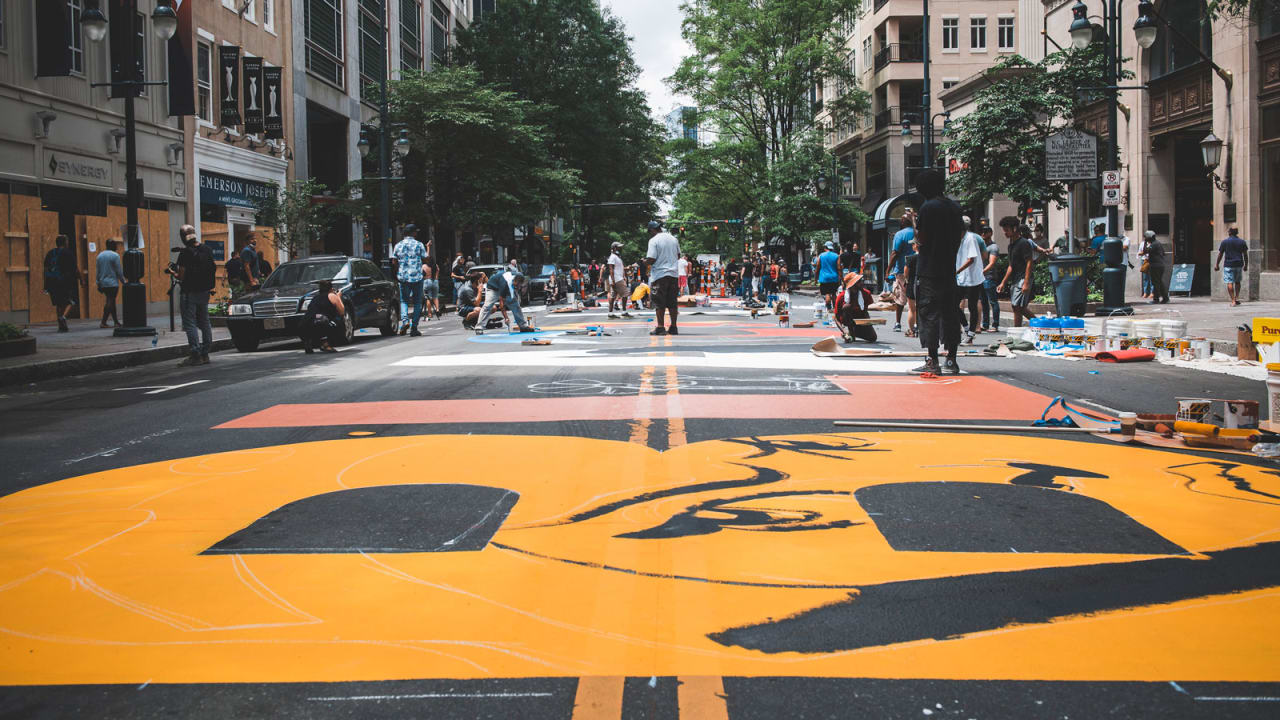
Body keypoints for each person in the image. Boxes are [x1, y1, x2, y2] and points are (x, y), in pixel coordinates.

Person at [912, 169, 964, 374]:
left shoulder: (927, 208)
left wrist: (916, 226)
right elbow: (959, 235)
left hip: (929, 270)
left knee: (929, 314)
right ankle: (951, 359)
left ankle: (932, 361)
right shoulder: (954, 207)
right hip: (949, 269)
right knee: (950, 314)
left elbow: (922, 238)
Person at [174, 225, 216, 366]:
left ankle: (195, 354)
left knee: (190, 323)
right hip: (204, 291)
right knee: (204, 321)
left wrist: (174, 273)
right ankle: (205, 353)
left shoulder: (185, 253)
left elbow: (181, 276)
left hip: (189, 292)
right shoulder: (207, 250)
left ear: (182, 237)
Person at [997, 216, 1038, 326]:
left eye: (1007, 230)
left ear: (1014, 229)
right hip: (1016, 278)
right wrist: (1003, 282)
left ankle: (1037, 325)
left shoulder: (1023, 243)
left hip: (1023, 278)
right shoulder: (1011, 246)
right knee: (1017, 307)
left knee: (1018, 307)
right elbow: (1011, 266)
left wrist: (1026, 282)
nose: (1005, 233)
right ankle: (1036, 325)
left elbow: (1029, 262)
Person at [644, 220, 681, 335]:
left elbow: (652, 258)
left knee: (659, 301)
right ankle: (673, 327)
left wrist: (645, 262)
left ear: (652, 230)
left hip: (660, 275)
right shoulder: (673, 239)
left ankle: (660, 327)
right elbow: (678, 255)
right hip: (673, 274)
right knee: (672, 302)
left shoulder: (653, 240)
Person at [43, 234, 85, 332]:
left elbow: (45, 269)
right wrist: (81, 280)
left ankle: (61, 326)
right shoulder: (68, 253)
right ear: (65, 242)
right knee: (71, 301)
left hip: (52, 282)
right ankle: (62, 317)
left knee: (59, 303)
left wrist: (45, 284)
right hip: (64, 282)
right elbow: (75, 268)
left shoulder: (50, 253)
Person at [391, 224, 428, 336]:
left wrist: (399, 270)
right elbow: (425, 258)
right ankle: (414, 328)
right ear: (413, 233)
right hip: (417, 277)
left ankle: (405, 321)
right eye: (416, 231)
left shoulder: (398, 245)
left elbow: (394, 261)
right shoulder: (419, 244)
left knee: (404, 301)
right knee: (417, 302)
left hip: (403, 277)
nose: (417, 233)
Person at [955, 218, 986, 344]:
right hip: (962, 278)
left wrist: (957, 271)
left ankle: (971, 335)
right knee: (954, 304)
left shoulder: (970, 238)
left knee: (972, 306)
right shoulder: (959, 239)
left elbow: (971, 259)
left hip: (973, 278)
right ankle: (967, 329)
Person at [887, 215, 916, 330]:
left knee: (900, 298)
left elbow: (895, 254)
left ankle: (898, 323)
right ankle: (917, 324)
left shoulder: (900, 234)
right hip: (918, 271)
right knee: (915, 299)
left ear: (903, 222)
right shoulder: (917, 233)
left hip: (902, 271)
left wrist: (887, 270)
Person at [834, 271, 878, 344]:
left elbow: (865, 311)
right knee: (846, 307)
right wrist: (844, 331)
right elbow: (836, 317)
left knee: (873, 338)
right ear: (853, 285)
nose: (862, 283)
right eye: (859, 282)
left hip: (860, 319)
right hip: (847, 320)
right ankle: (850, 331)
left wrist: (868, 323)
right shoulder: (841, 297)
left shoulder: (866, 293)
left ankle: (855, 332)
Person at [302, 279, 344, 353]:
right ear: (331, 289)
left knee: (318, 319)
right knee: (339, 319)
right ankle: (325, 344)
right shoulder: (331, 295)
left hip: (304, 325)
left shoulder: (315, 298)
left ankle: (309, 341)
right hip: (320, 324)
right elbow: (342, 312)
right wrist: (338, 297)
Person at [1215, 227, 1248, 306]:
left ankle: (1233, 300)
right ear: (1237, 232)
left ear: (1229, 232)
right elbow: (1245, 255)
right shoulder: (1242, 242)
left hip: (1229, 265)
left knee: (1230, 282)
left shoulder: (1225, 242)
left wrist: (1217, 264)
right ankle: (1236, 298)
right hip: (1239, 264)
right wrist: (1246, 265)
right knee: (1237, 282)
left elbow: (1220, 254)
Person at [95, 239, 124, 328]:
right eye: (115, 245)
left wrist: (98, 282)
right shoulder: (115, 256)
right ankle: (103, 322)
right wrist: (123, 281)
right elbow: (118, 271)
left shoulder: (100, 255)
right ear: (112, 246)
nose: (116, 247)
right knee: (110, 301)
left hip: (103, 282)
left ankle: (116, 322)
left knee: (111, 302)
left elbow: (98, 271)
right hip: (112, 283)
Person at [979, 224, 1000, 331]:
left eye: (985, 231)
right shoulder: (982, 246)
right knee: (983, 302)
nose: (983, 233)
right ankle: (985, 324)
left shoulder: (993, 247)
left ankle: (995, 325)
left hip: (989, 277)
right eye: (982, 231)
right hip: (982, 278)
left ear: (990, 233)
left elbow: (992, 263)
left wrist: (981, 272)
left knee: (992, 301)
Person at [605, 242, 630, 318]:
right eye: (619, 247)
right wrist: (613, 280)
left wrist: (625, 270)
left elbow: (617, 268)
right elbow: (611, 269)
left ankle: (610, 313)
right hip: (617, 279)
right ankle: (624, 311)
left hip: (617, 278)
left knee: (613, 296)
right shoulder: (612, 257)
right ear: (614, 248)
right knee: (625, 294)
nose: (620, 248)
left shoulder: (616, 257)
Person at [1145, 229, 1170, 304]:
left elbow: (1146, 251)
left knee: (1155, 282)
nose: (1145, 239)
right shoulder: (1158, 243)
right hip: (1159, 265)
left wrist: (1146, 244)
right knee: (1159, 282)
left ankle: (1156, 299)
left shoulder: (1154, 244)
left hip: (1156, 265)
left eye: (1146, 237)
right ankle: (1165, 298)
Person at [816, 241, 841, 310]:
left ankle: (829, 309)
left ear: (825, 248)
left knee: (827, 293)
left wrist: (816, 278)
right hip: (834, 277)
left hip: (824, 278)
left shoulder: (821, 256)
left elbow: (817, 267)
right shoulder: (836, 256)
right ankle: (836, 309)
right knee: (833, 293)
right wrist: (841, 278)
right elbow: (839, 268)